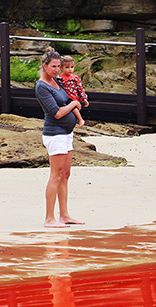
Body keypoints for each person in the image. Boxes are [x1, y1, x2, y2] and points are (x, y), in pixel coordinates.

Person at [35, 50, 84, 228]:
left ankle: (64, 215)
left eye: (58, 66)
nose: (57, 70)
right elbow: (56, 112)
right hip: (54, 134)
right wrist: (73, 104)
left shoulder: (55, 82)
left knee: (65, 175)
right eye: (53, 66)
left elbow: (67, 98)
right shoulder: (42, 86)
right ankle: (49, 218)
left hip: (66, 134)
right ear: (45, 66)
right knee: (55, 176)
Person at [58, 55, 89, 128]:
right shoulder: (60, 77)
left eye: (72, 67)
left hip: (73, 98)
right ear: (61, 68)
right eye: (67, 67)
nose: (70, 69)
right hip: (64, 97)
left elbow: (80, 88)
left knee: (73, 108)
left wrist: (84, 98)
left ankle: (80, 119)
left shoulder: (75, 78)